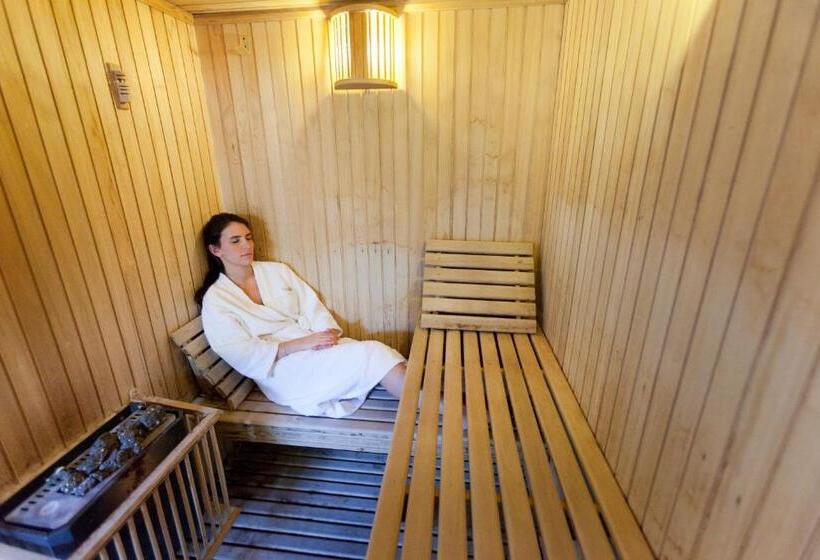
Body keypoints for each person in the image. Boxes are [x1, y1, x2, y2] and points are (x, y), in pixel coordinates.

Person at [196, 213, 406, 418]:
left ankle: (424, 404)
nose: (247, 245)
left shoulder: (277, 271)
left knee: (378, 354)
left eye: (248, 238)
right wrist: (302, 344)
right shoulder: (216, 299)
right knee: (375, 353)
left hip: (311, 345)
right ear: (215, 250)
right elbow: (239, 351)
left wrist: (327, 333)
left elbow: (311, 306)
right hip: (279, 370)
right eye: (236, 241)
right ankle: (425, 407)